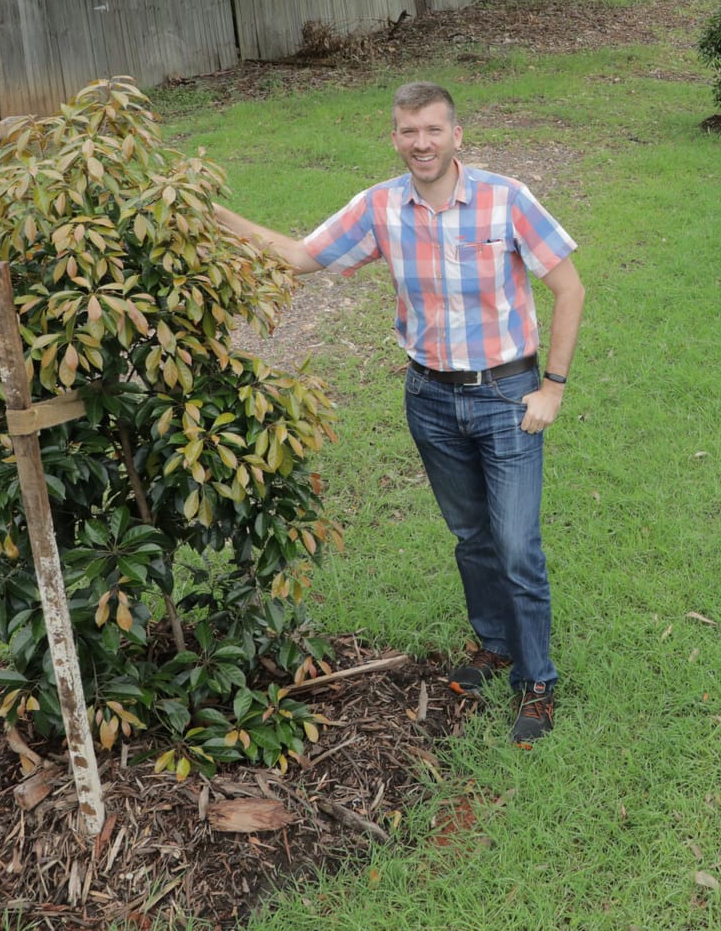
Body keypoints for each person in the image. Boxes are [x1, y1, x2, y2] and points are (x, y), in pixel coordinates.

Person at [215, 81, 584, 748]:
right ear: (395, 137)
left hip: (507, 397)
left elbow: (568, 288)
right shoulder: (381, 207)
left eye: (433, 130)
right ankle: (496, 644)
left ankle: (537, 678)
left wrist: (552, 386)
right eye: (409, 131)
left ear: (457, 135)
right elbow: (301, 257)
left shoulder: (506, 199)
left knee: (516, 545)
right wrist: (216, 217)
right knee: (471, 535)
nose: (421, 143)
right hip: (432, 400)